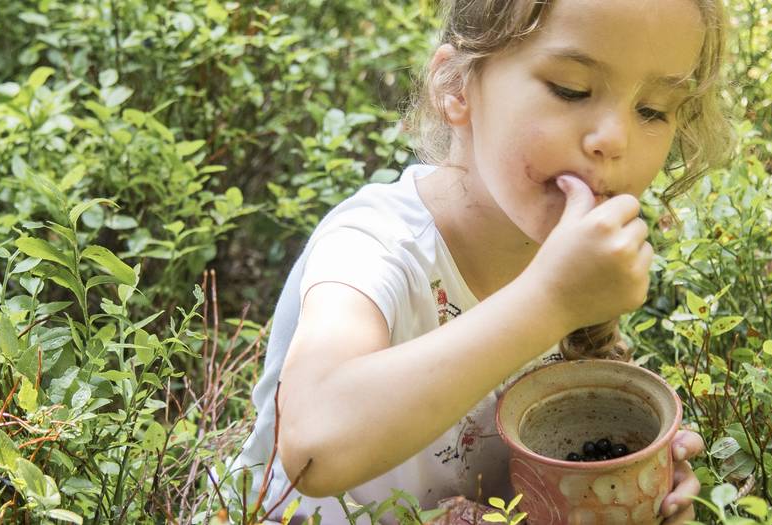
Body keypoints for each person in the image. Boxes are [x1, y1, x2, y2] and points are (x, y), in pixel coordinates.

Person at [226, 0, 737, 522]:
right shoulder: (375, 245)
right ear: (456, 87)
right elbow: (312, 450)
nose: (615, 138)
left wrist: (627, 484)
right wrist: (550, 301)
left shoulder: (575, 265)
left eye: (653, 109)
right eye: (571, 89)